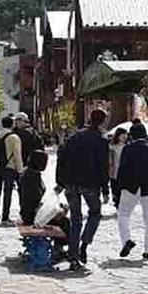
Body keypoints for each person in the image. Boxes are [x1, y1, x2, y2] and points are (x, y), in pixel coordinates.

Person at [56, 108, 109, 271]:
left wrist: (59, 181)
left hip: (71, 183)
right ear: (103, 121)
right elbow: (103, 166)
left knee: (75, 219)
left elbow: (61, 157)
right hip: (90, 184)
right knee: (95, 213)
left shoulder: (74, 136)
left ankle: (73, 257)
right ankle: (84, 245)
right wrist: (105, 189)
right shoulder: (101, 140)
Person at [117, 122, 148, 260]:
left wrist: (118, 188)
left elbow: (122, 169)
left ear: (131, 135)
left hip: (130, 187)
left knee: (123, 215)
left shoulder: (127, 149)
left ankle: (127, 240)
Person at [19, 149, 70, 259]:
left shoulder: (30, 173)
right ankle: (59, 248)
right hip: (32, 216)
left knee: (62, 217)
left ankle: (59, 248)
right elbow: (36, 203)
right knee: (64, 222)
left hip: (29, 213)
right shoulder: (31, 177)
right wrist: (56, 212)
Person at [0, 116, 22, 224]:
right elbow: (17, 155)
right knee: (7, 192)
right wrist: (20, 170)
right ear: (12, 124)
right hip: (9, 168)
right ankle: (5, 217)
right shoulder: (14, 137)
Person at [108, 127, 128, 209]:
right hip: (115, 172)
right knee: (116, 191)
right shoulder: (112, 147)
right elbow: (110, 161)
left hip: (125, 173)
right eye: (122, 135)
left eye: (125, 135)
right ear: (118, 136)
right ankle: (117, 203)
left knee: (123, 191)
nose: (124, 137)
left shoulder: (128, 147)